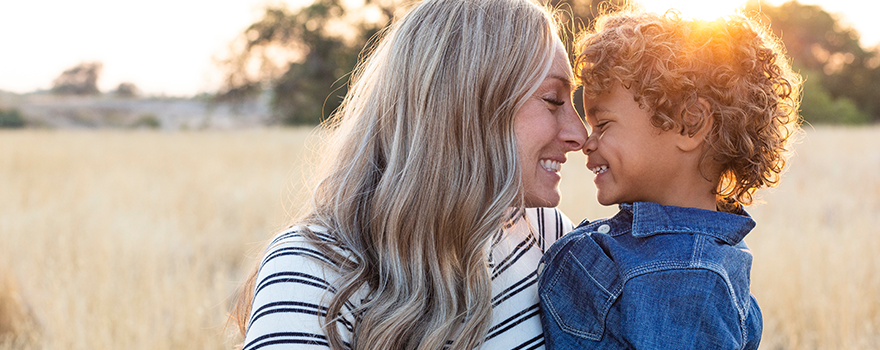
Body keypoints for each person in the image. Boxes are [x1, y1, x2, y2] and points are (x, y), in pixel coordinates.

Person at [230, 0, 588, 349]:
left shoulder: (548, 237)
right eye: (553, 100)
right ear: (464, 107)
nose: (580, 134)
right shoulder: (314, 270)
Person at [537, 9, 802, 349]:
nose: (588, 142)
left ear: (689, 124)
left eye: (602, 124)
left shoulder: (690, 280)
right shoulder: (664, 253)